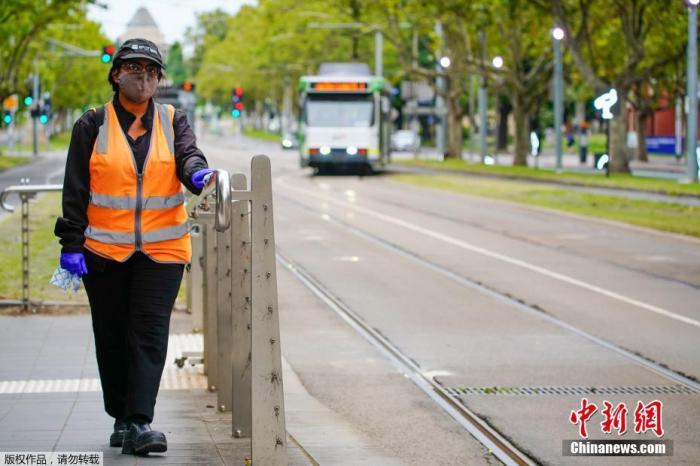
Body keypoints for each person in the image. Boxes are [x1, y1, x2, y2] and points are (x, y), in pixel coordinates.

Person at [54, 38, 214, 456]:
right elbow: (75, 189)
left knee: (148, 333)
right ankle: (121, 418)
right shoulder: (91, 124)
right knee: (111, 336)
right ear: (116, 74)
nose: (142, 77)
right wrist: (71, 243)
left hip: (162, 253)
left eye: (151, 71)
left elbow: (188, 157)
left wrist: (198, 175)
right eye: (134, 68)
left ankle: (141, 421)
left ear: (159, 79)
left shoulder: (173, 120)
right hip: (104, 252)